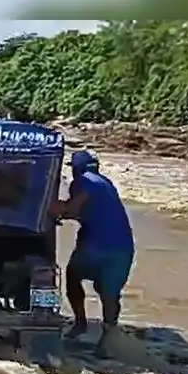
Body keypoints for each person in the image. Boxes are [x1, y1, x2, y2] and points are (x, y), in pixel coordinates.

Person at [50, 150, 135, 351]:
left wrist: (59, 211)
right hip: (123, 247)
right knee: (110, 294)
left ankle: (80, 323)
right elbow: (93, 210)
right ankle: (109, 337)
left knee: (72, 276)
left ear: (76, 169)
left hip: (95, 245)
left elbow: (75, 208)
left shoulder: (82, 181)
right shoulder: (106, 184)